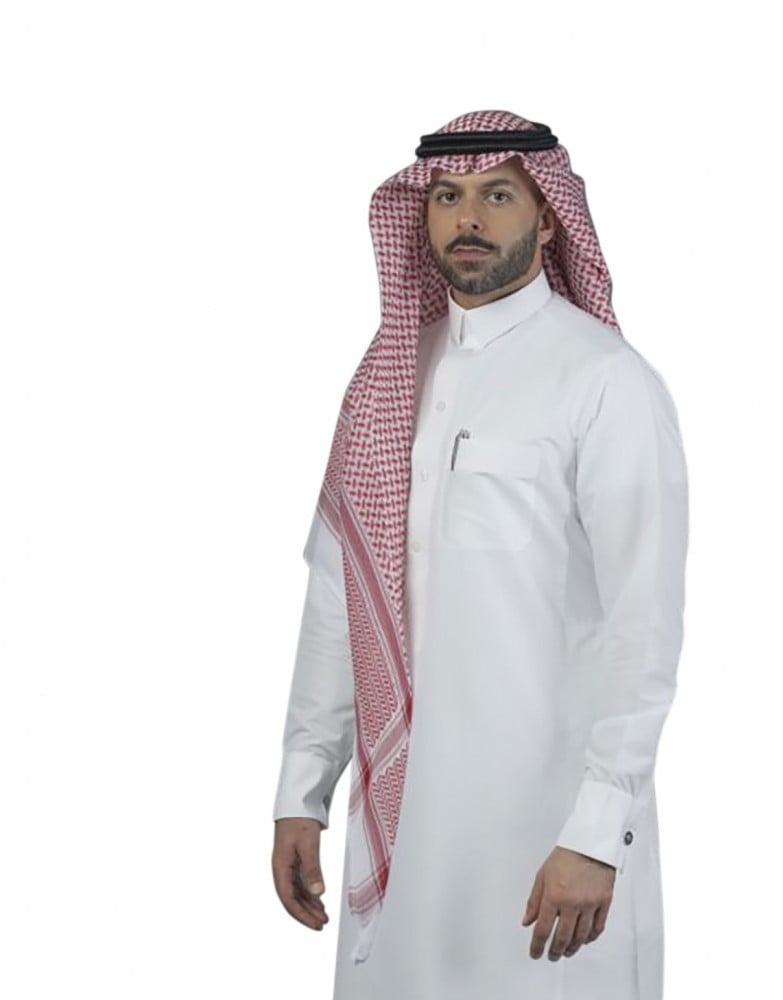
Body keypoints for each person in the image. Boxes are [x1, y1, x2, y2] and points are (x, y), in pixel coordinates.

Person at [271, 110, 689, 1000]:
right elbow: (339, 600)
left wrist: (596, 833)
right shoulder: (386, 376)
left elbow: (642, 627)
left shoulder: (604, 380)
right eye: (448, 197)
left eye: (498, 196)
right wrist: (301, 790)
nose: (468, 218)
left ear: (549, 218)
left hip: (546, 831)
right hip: (402, 823)